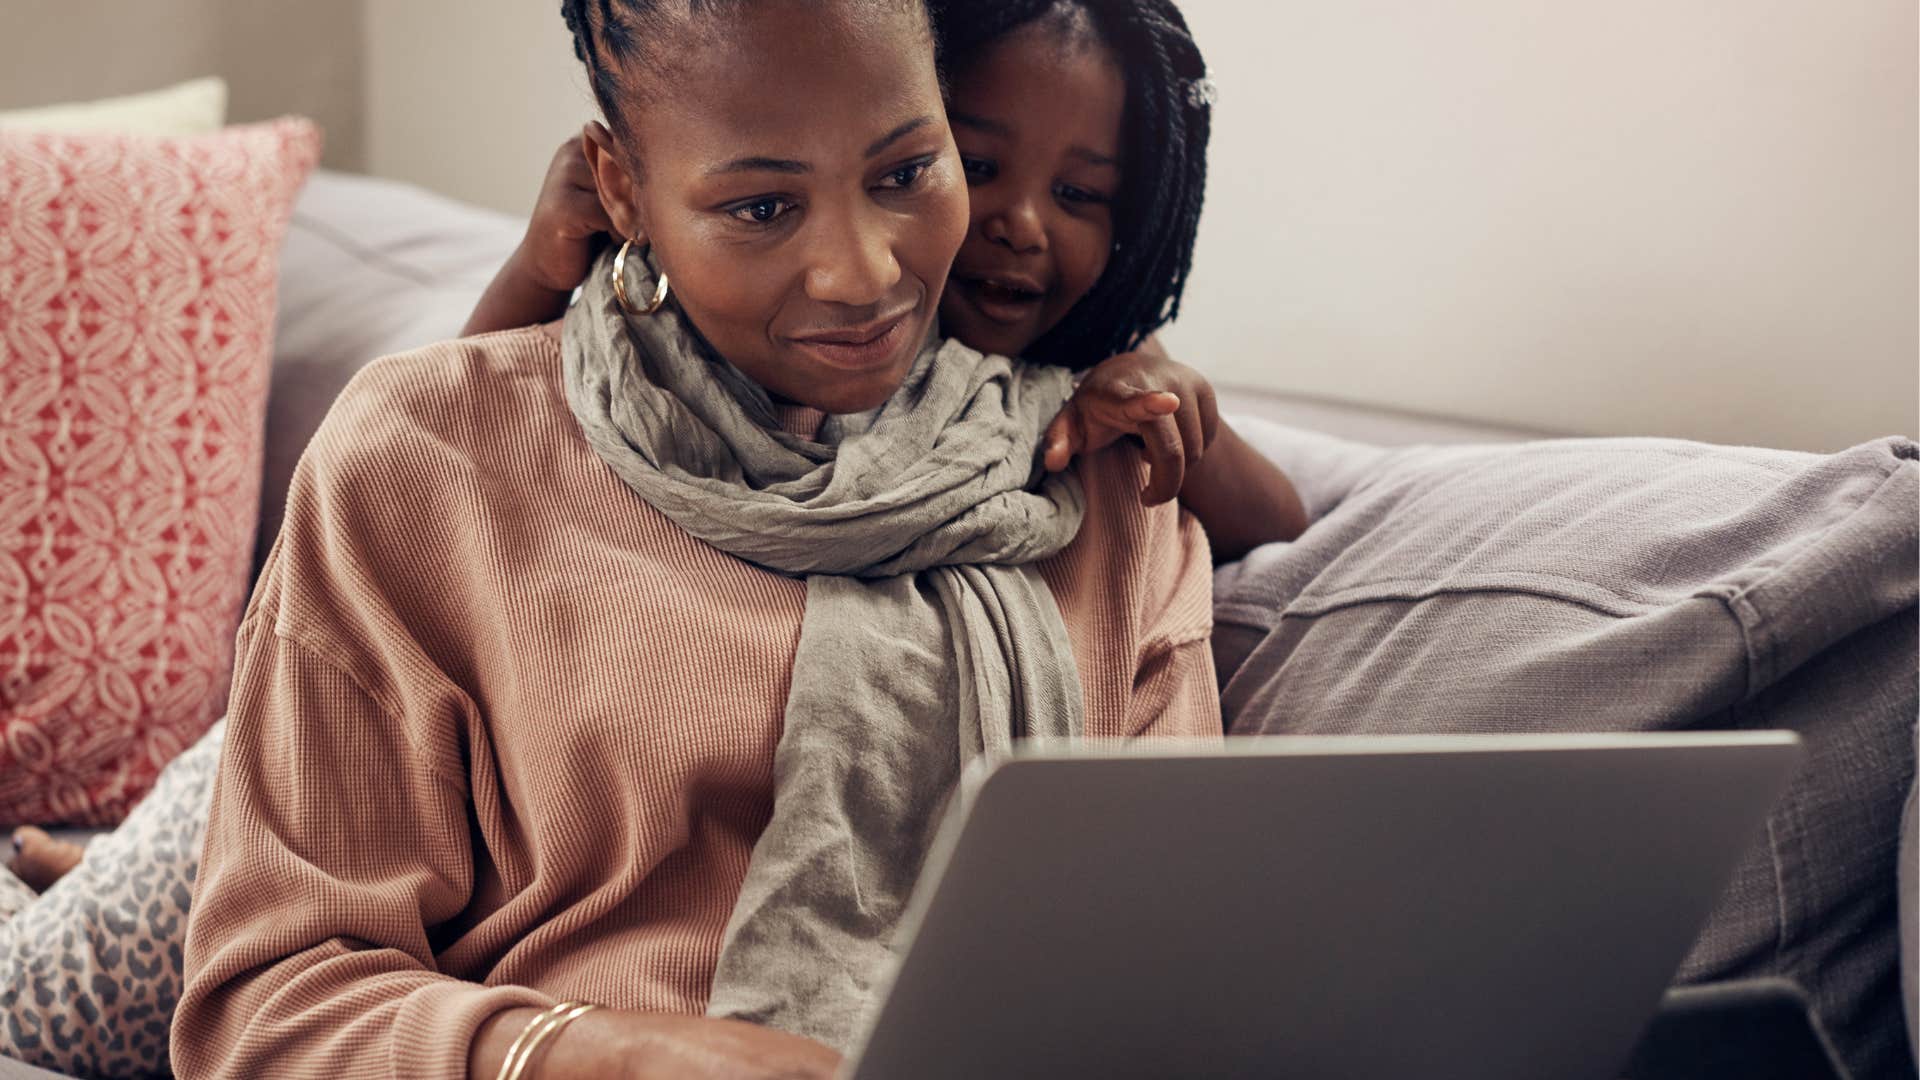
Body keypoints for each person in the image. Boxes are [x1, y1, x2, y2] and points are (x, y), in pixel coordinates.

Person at [167, 1, 1222, 1077]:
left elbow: (1188, 982)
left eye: (906, 174)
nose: (860, 275)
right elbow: (265, 1012)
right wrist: (592, 1055)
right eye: (763, 205)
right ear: (622, 187)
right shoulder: (420, 458)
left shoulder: (1106, 499)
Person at [463, 0, 1307, 561]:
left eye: (1081, 194)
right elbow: (457, 421)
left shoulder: (1083, 349)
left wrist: (1164, 397)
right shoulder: (657, 313)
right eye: (977, 167)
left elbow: (1279, 528)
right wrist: (537, 273)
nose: (1021, 224)